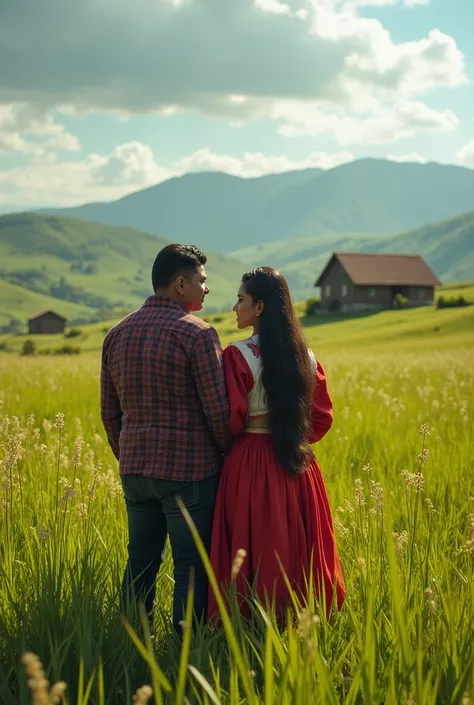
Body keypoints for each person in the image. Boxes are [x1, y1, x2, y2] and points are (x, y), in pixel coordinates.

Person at [100, 244, 231, 632]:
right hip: (189, 473)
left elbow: (110, 413)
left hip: (135, 472)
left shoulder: (116, 333)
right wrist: (228, 457)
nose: (206, 289)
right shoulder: (198, 334)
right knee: (191, 563)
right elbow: (217, 410)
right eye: (202, 281)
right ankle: (185, 652)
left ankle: (130, 642)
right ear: (179, 283)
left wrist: (128, 455)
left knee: (140, 560)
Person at [209, 267, 345, 621]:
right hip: (297, 462)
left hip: (249, 461)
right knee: (297, 545)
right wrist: (288, 432)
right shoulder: (307, 356)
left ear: (261, 307)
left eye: (241, 299)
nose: (234, 307)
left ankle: (249, 618)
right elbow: (321, 419)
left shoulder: (238, 355)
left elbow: (230, 419)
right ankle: (300, 617)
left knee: (252, 542)